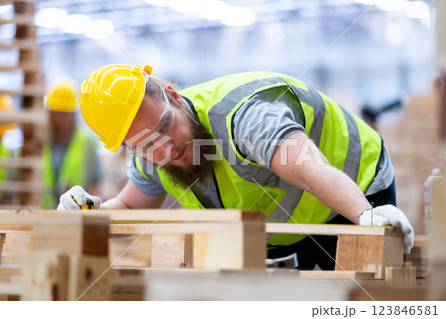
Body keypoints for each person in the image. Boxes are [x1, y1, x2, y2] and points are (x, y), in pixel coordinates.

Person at [57, 64, 414, 269]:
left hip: (354, 190)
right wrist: (89, 214)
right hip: (281, 227)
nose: (164, 148)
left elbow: (309, 169)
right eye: (145, 145)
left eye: (166, 126)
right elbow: (131, 206)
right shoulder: (150, 153)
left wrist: (366, 215)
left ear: (174, 96)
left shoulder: (243, 116)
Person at [43, 81, 103, 208]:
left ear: (73, 114)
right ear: (51, 114)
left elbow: (96, 183)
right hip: (42, 212)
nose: (61, 119)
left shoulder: (87, 143)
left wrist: (88, 207)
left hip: (75, 213)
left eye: (66, 114)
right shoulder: (41, 141)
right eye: (57, 113)